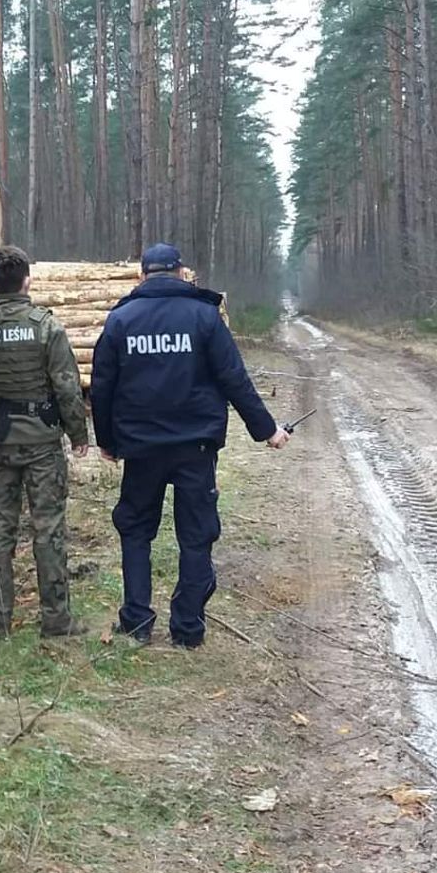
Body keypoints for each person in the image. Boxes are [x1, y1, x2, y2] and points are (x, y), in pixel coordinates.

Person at [90, 243, 290, 648]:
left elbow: (102, 387)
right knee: (196, 536)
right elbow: (234, 379)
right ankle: (187, 629)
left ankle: (136, 624)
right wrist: (267, 430)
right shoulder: (205, 317)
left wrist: (107, 442)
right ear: (182, 273)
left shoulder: (121, 320)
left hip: (141, 449)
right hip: (195, 449)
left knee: (135, 531)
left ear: (142, 276)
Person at [0, 245, 90, 638]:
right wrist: (78, 434)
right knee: (48, 530)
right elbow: (67, 387)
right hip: (43, 444)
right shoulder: (46, 326)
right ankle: (57, 621)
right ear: (26, 280)